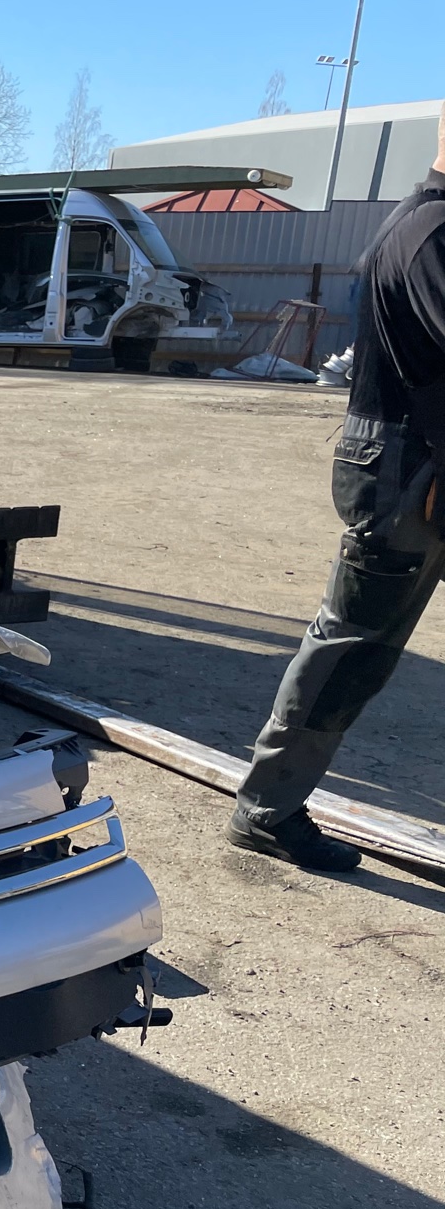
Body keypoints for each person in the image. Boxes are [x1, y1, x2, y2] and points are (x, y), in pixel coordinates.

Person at [227, 105, 445, 870]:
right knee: (354, 646)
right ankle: (267, 807)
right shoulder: (430, 235)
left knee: (359, 645)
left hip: (417, 462)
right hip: (406, 473)